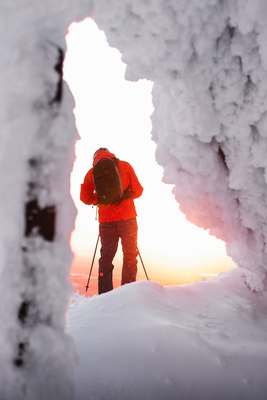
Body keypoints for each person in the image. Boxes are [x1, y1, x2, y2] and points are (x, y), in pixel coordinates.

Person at [80, 148, 143, 294]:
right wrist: (125, 196)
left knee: (106, 258)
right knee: (130, 255)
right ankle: (127, 292)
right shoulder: (125, 166)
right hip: (128, 218)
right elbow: (139, 190)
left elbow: (84, 198)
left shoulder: (92, 173)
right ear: (111, 155)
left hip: (106, 222)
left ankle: (105, 295)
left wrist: (100, 200)